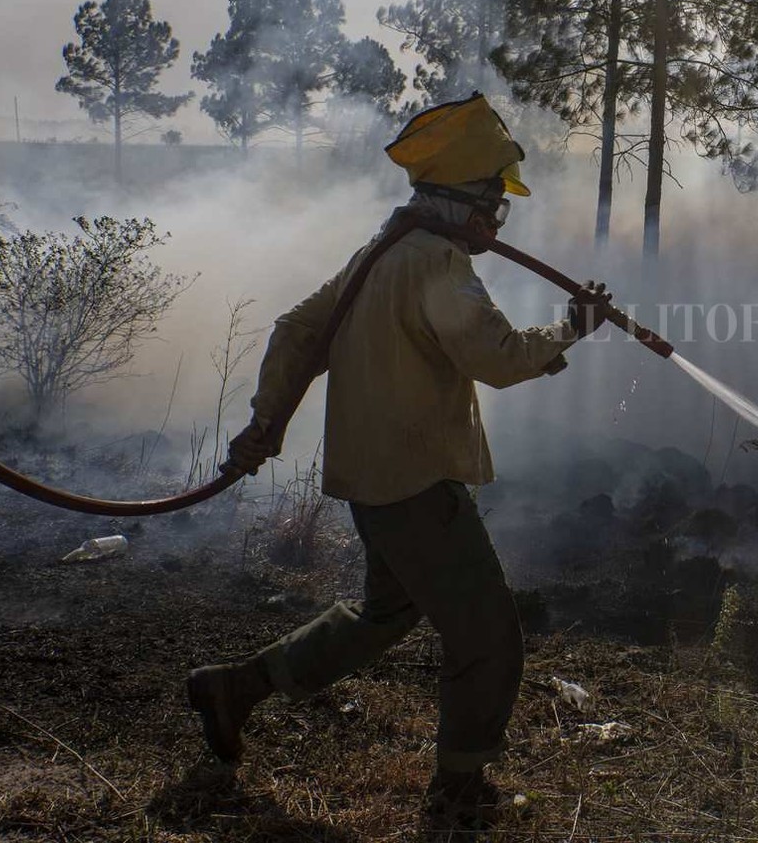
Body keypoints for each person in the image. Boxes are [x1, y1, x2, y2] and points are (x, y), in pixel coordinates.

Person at [185, 93, 611, 830]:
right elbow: (497, 359)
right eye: (491, 204)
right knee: (486, 637)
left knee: (386, 612)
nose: (496, 221)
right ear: (458, 201)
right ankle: (460, 788)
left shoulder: (376, 254)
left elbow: (294, 330)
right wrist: (570, 329)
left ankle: (236, 688)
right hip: (416, 480)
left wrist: (264, 423)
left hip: (372, 476)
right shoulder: (434, 263)